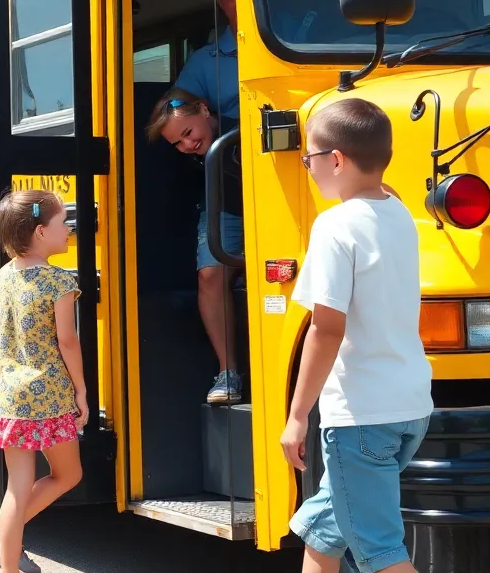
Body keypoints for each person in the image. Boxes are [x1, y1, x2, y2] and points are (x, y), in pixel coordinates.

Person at [280, 98, 432, 573]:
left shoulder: (334, 226)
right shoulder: (400, 214)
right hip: (409, 409)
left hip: (360, 416)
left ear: (337, 160)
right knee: (322, 534)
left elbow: (325, 328)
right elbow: (383, 187)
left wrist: (298, 415)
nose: (307, 169)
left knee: (381, 554)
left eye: (308, 159)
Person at [0, 190, 86, 573]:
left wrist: (12, 373)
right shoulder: (59, 280)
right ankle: (0, 541)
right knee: (68, 474)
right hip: (51, 394)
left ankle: (5, 558)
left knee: (16, 487)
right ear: (41, 232)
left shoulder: (5, 273)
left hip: (11, 394)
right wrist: (81, 390)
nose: (69, 228)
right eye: (63, 222)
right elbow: (67, 341)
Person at [145, 87, 245, 403]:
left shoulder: (241, 128)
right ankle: (228, 371)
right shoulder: (188, 159)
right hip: (223, 209)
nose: (188, 144)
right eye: (178, 143)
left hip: (266, 205)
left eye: (188, 133)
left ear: (204, 109)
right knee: (210, 276)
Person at [174, 0, 239, 119]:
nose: (240, 3)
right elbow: (177, 118)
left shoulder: (294, 42)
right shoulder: (201, 63)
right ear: (220, 1)